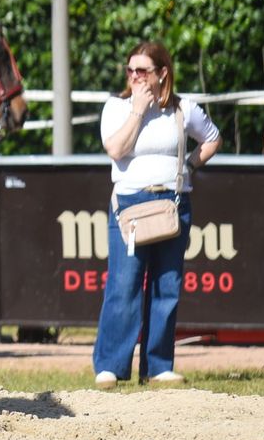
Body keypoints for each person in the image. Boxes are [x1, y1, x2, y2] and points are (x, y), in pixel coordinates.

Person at [93, 42, 221, 387]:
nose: (135, 77)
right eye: (131, 70)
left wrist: (188, 167)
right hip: (130, 206)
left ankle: (158, 365)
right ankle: (111, 365)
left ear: (162, 73)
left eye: (143, 71)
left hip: (172, 205)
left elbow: (212, 138)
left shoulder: (183, 109)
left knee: (167, 285)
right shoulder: (117, 107)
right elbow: (116, 149)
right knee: (124, 285)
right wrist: (138, 109)